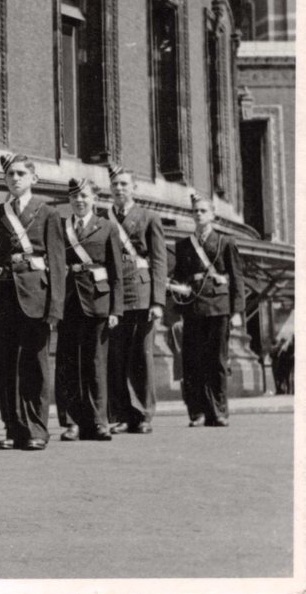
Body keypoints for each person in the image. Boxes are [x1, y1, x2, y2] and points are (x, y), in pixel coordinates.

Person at [0, 152, 65, 451]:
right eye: (10, 174)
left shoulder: (47, 213)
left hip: (37, 296)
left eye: (21, 173)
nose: (15, 178)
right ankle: (12, 428)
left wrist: (55, 307)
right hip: (5, 296)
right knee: (6, 366)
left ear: (34, 178)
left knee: (35, 365)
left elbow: (57, 262)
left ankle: (36, 429)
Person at [57, 177, 123, 442]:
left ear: (94, 199)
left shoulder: (107, 227)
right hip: (69, 301)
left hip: (98, 300)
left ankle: (98, 421)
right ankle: (72, 422)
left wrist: (116, 309)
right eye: (74, 196)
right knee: (69, 363)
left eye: (84, 195)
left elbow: (116, 272)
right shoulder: (62, 227)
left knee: (96, 363)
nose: (79, 200)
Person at [171, 192, 245, 427]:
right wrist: (177, 288)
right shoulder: (183, 245)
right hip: (193, 308)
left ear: (213, 215)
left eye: (203, 211)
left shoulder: (225, 242)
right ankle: (198, 413)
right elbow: (179, 277)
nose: (199, 214)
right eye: (195, 211)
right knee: (192, 362)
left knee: (217, 361)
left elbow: (236, 277)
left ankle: (219, 412)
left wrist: (237, 312)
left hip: (218, 307)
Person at [104, 164, 167, 434]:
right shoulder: (104, 218)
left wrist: (158, 301)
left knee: (141, 355)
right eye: (115, 184)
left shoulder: (148, 217)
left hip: (141, 292)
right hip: (114, 293)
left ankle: (143, 415)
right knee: (115, 356)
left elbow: (159, 261)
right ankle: (121, 414)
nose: (119, 188)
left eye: (124, 184)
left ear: (134, 188)